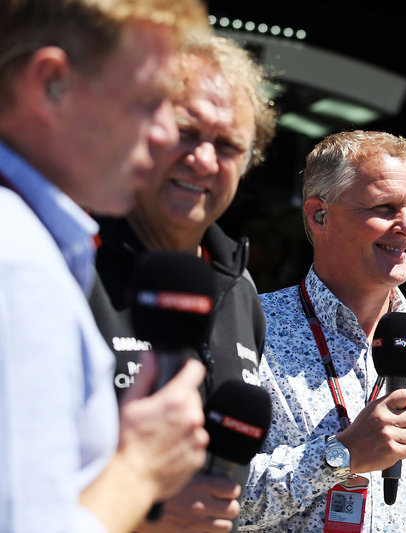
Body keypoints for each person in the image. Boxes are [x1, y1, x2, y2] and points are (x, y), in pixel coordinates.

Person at [0, 1, 211, 532]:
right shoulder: (19, 269)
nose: (168, 135)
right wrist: (141, 469)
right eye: (150, 101)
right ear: (52, 84)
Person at [240, 130, 406, 532]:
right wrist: (340, 456)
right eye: (385, 207)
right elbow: (204, 495)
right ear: (319, 215)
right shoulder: (250, 330)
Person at [89, 33, 277, 533]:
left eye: (228, 145)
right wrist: (141, 507)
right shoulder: (65, 263)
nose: (203, 160)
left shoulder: (241, 292)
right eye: (186, 131)